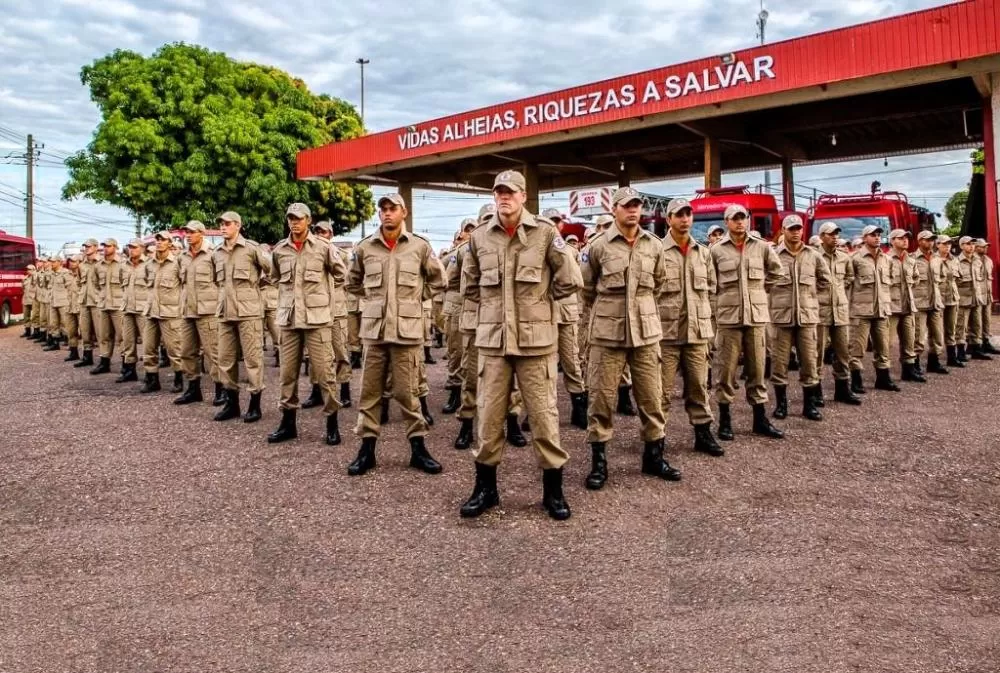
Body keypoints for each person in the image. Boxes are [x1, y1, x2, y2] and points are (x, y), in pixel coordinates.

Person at [459, 171, 581, 520]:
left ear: (523, 196)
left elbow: (570, 279)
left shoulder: (544, 233)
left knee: (544, 418)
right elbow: (469, 286)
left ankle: (553, 492)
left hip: (535, 343)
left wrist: (540, 304)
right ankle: (486, 489)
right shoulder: (480, 237)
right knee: (488, 418)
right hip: (494, 343)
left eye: (510, 192)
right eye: (499, 192)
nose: (504, 198)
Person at [580, 187, 675, 490]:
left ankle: (654, 457)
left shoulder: (654, 246)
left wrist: (641, 310)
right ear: (615, 210)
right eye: (626, 206)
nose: (633, 210)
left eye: (637, 205)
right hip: (608, 333)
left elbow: (658, 284)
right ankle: (599, 463)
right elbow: (586, 288)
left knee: (651, 396)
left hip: (645, 333)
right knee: (601, 398)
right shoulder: (598, 246)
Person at [345, 193, 446, 476]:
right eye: (383, 209)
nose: (387, 213)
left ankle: (418, 450)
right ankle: (366, 451)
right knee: (370, 394)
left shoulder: (419, 247)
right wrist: (375, 300)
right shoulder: (365, 248)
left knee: (408, 394)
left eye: (393, 209)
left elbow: (439, 281)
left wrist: (414, 299)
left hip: (407, 332)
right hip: (375, 333)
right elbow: (352, 282)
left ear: (404, 213)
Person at [266, 204, 347, 446]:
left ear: (308, 220)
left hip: (317, 319)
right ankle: (288, 423)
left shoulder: (323, 248)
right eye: (290, 218)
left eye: (299, 218)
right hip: (290, 320)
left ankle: (332, 423)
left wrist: (324, 300)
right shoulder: (280, 250)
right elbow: (274, 277)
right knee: (287, 374)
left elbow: (341, 275)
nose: (294, 223)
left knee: (324, 373)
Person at [451, 203, 528, 450]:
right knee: (472, 376)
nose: (484, 225)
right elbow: (456, 283)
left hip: (508, 322)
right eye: (480, 221)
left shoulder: (516, 244)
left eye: (488, 219)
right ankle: (466, 424)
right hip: (476, 322)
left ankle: (513, 421)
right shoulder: (467, 249)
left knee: (511, 377)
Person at [711, 204, 785, 441]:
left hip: (755, 318)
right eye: (735, 219)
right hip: (729, 319)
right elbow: (710, 284)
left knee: (757, 370)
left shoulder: (761, 247)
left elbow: (777, 272)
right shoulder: (716, 251)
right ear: (726, 222)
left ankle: (760, 419)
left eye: (743, 218)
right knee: (726, 371)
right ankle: (724, 420)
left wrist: (760, 292)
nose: (740, 222)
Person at [656, 197, 723, 457]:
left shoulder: (703, 252)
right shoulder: (657, 251)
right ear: (669, 219)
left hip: (697, 333)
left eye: (688, 214)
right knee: (660, 392)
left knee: (698, 387)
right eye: (679, 215)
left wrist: (709, 324)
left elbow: (711, 290)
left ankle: (703, 434)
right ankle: (656, 440)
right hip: (666, 334)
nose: (685, 219)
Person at [768, 214, 830, 421]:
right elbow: (764, 282)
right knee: (779, 363)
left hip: (807, 317)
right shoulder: (773, 254)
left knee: (809, 362)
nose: (795, 232)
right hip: (781, 317)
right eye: (791, 228)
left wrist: (810, 298)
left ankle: (809, 405)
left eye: (799, 228)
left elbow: (824, 280)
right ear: (783, 231)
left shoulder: (813, 255)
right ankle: (781, 405)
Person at [212, 211, 273, 422]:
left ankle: (255, 404)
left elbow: (272, 270)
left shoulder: (251, 249)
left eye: (227, 224)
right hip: (225, 311)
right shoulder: (216, 253)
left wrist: (258, 287)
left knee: (252, 359)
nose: (223, 227)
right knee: (225, 359)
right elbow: (216, 281)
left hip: (249, 312)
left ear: (238, 226)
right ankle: (232, 403)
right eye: (221, 224)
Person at [541, 208, 587, 429]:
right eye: (550, 220)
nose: (554, 224)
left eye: (557, 221)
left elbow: (577, 281)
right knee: (542, 368)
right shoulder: (536, 248)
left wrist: (551, 295)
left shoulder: (569, 250)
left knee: (571, 362)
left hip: (566, 313)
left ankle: (579, 408)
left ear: (561, 225)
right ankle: (537, 414)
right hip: (542, 316)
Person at [176, 220, 225, 406]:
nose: (187, 235)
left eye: (191, 232)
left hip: (208, 311)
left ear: (201, 233)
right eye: (186, 232)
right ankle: (193, 389)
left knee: (213, 352)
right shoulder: (183, 256)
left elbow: (221, 282)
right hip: (188, 310)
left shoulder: (213, 255)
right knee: (187, 351)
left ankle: (221, 389)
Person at [815, 222, 861, 405]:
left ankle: (842, 390)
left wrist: (839, 290)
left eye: (836, 234)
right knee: (816, 353)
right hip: (820, 310)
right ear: (821, 237)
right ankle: (815, 391)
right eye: (830, 234)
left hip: (840, 310)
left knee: (843, 351)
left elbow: (849, 277)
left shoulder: (844, 257)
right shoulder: (813, 256)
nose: (834, 237)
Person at [309, 220, 353, 409]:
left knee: (340, 351)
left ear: (331, 234)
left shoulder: (341, 255)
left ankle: (344, 390)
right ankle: (316, 391)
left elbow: (346, 278)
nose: (320, 234)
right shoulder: (310, 254)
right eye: (317, 231)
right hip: (317, 311)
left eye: (324, 232)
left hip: (336, 310)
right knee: (314, 353)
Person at [848, 225, 898, 393]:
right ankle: (856, 380)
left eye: (878, 235)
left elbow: (889, 281)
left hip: (881, 309)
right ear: (864, 238)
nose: (877, 237)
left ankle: (883, 379)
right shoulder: (855, 258)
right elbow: (847, 283)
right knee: (857, 347)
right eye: (872, 235)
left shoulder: (886, 259)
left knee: (883, 347)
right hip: (861, 310)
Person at [141, 232, 185, 393]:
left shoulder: (177, 263)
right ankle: (152, 379)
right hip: (152, 311)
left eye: (163, 240)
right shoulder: (149, 264)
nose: (159, 242)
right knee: (149, 348)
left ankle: (179, 379)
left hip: (170, 312)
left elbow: (184, 284)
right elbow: (147, 282)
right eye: (157, 240)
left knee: (174, 349)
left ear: (170, 243)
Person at [442, 220, 476, 414]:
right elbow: (446, 278)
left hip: (479, 307)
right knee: (456, 350)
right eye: (467, 229)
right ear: (462, 233)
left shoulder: (485, 247)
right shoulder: (458, 252)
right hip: (458, 306)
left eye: (474, 228)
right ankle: (455, 392)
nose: (471, 233)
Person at [885, 229, 925, 383]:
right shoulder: (886, 259)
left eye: (907, 238)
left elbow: (916, 279)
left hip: (908, 306)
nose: (905, 241)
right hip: (891, 306)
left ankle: (908, 371)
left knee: (909, 340)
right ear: (893, 240)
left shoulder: (910, 260)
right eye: (901, 238)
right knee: (886, 343)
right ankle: (884, 374)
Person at [910, 231, 948, 375]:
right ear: (919, 241)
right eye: (927, 240)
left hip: (935, 302)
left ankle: (934, 362)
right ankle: (915, 363)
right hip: (920, 302)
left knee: (937, 335)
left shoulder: (937, 258)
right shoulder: (912, 258)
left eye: (932, 240)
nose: (930, 242)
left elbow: (943, 277)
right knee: (918, 336)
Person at [90, 239, 125, 377]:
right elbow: (96, 283)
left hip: (118, 304)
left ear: (115, 247)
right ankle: (104, 362)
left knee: (122, 337)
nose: (105, 249)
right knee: (104, 335)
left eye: (109, 246)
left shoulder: (122, 264)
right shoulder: (99, 266)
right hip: (104, 304)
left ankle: (126, 363)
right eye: (104, 246)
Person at [117, 238, 149, 383]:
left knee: (148, 342)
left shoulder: (149, 264)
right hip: (127, 308)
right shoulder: (124, 265)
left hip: (143, 309)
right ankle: (129, 371)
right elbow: (121, 284)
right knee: (128, 341)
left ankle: (150, 374)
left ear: (142, 248)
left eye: (135, 247)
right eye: (130, 247)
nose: (132, 250)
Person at [955, 235, 991, 361]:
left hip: (976, 298)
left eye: (972, 244)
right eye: (968, 244)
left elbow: (980, 280)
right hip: (963, 299)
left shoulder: (978, 261)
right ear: (961, 246)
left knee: (977, 325)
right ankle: (960, 351)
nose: (971, 246)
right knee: (961, 326)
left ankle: (976, 349)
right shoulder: (956, 262)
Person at [936, 235, 964, 368]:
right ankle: (934, 360)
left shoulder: (955, 260)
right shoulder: (933, 259)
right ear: (937, 245)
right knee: (936, 331)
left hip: (952, 298)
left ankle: (952, 358)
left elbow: (959, 278)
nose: (947, 246)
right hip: (938, 299)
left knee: (951, 329)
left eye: (949, 244)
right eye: (944, 244)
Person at [974, 239, 997, 353]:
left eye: (986, 246)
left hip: (987, 295)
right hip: (977, 296)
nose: (985, 248)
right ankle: (976, 344)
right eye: (983, 246)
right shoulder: (973, 260)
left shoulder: (988, 260)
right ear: (976, 247)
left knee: (987, 320)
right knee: (976, 322)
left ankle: (986, 341)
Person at [43, 257, 69, 352]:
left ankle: (70, 343)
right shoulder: (51, 273)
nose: (52, 264)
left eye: (54, 262)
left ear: (59, 262)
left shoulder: (65, 273)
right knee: (53, 323)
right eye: (51, 262)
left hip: (63, 302)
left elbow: (70, 287)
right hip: (53, 301)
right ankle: (55, 343)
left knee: (65, 323)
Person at [21, 264, 36, 338]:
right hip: (26, 299)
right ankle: (27, 331)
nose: (28, 271)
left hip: (34, 299)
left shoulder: (36, 278)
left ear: (34, 270)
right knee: (26, 316)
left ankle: (36, 332)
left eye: (30, 269)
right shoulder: (25, 278)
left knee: (35, 316)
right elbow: (23, 288)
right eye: (27, 269)